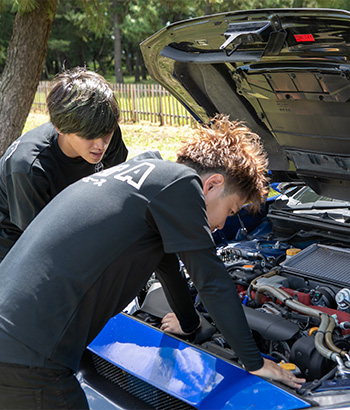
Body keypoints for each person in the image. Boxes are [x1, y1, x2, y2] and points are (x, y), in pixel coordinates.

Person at [0, 115, 305, 409]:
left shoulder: (146, 173)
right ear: (211, 185)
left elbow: (167, 266)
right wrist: (254, 362)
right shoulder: (182, 184)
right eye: (232, 208)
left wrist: (189, 323)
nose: (223, 222)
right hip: (29, 358)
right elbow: (211, 281)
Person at [0, 67, 128, 261]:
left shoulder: (106, 131)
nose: (100, 145)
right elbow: (41, 244)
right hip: (16, 247)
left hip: (74, 223)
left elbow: (115, 194)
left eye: (106, 133)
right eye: (89, 136)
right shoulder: (28, 167)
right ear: (59, 127)